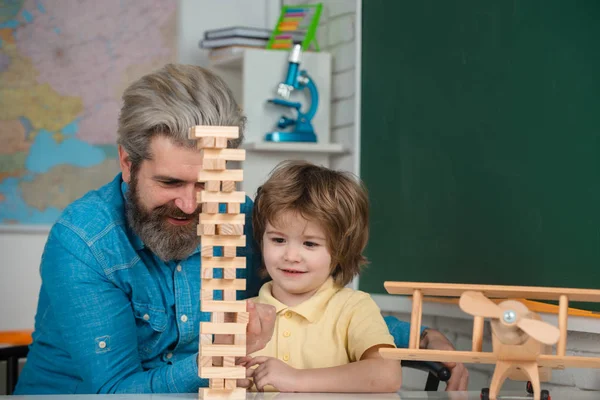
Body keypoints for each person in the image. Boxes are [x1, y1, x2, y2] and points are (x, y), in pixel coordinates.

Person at [14, 64, 467, 394]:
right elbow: (115, 391)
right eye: (170, 182)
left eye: (207, 185)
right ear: (127, 163)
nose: (190, 205)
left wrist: (417, 335)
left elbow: (315, 297)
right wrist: (212, 364)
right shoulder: (85, 243)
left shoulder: (240, 219)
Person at [243, 160, 401, 392]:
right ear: (262, 240)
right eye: (278, 240)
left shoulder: (353, 307)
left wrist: (296, 379)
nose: (291, 256)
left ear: (340, 250)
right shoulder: (244, 313)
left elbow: (387, 375)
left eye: (310, 243)